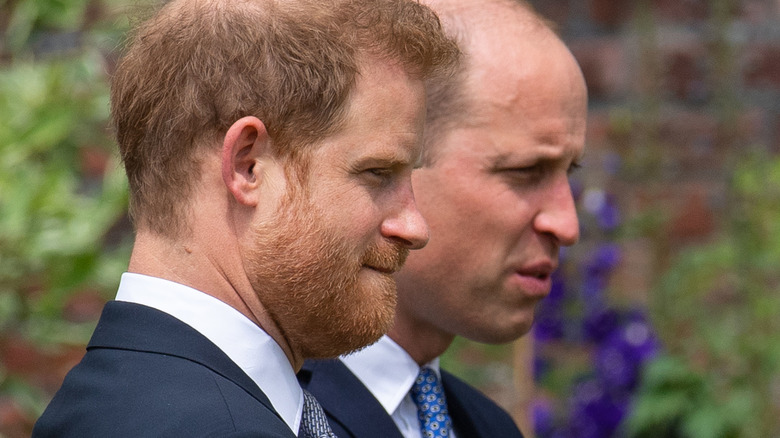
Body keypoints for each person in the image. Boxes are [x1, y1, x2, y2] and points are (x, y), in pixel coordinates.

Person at [32, 0, 458, 436]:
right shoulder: (202, 426)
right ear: (247, 165)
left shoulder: (121, 400)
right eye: (377, 173)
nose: (415, 227)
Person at [298, 0, 588, 437]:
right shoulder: (269, 410)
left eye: (569, 173)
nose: (566, 225)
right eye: (526, 172)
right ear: (394, 154)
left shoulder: (488, 426)